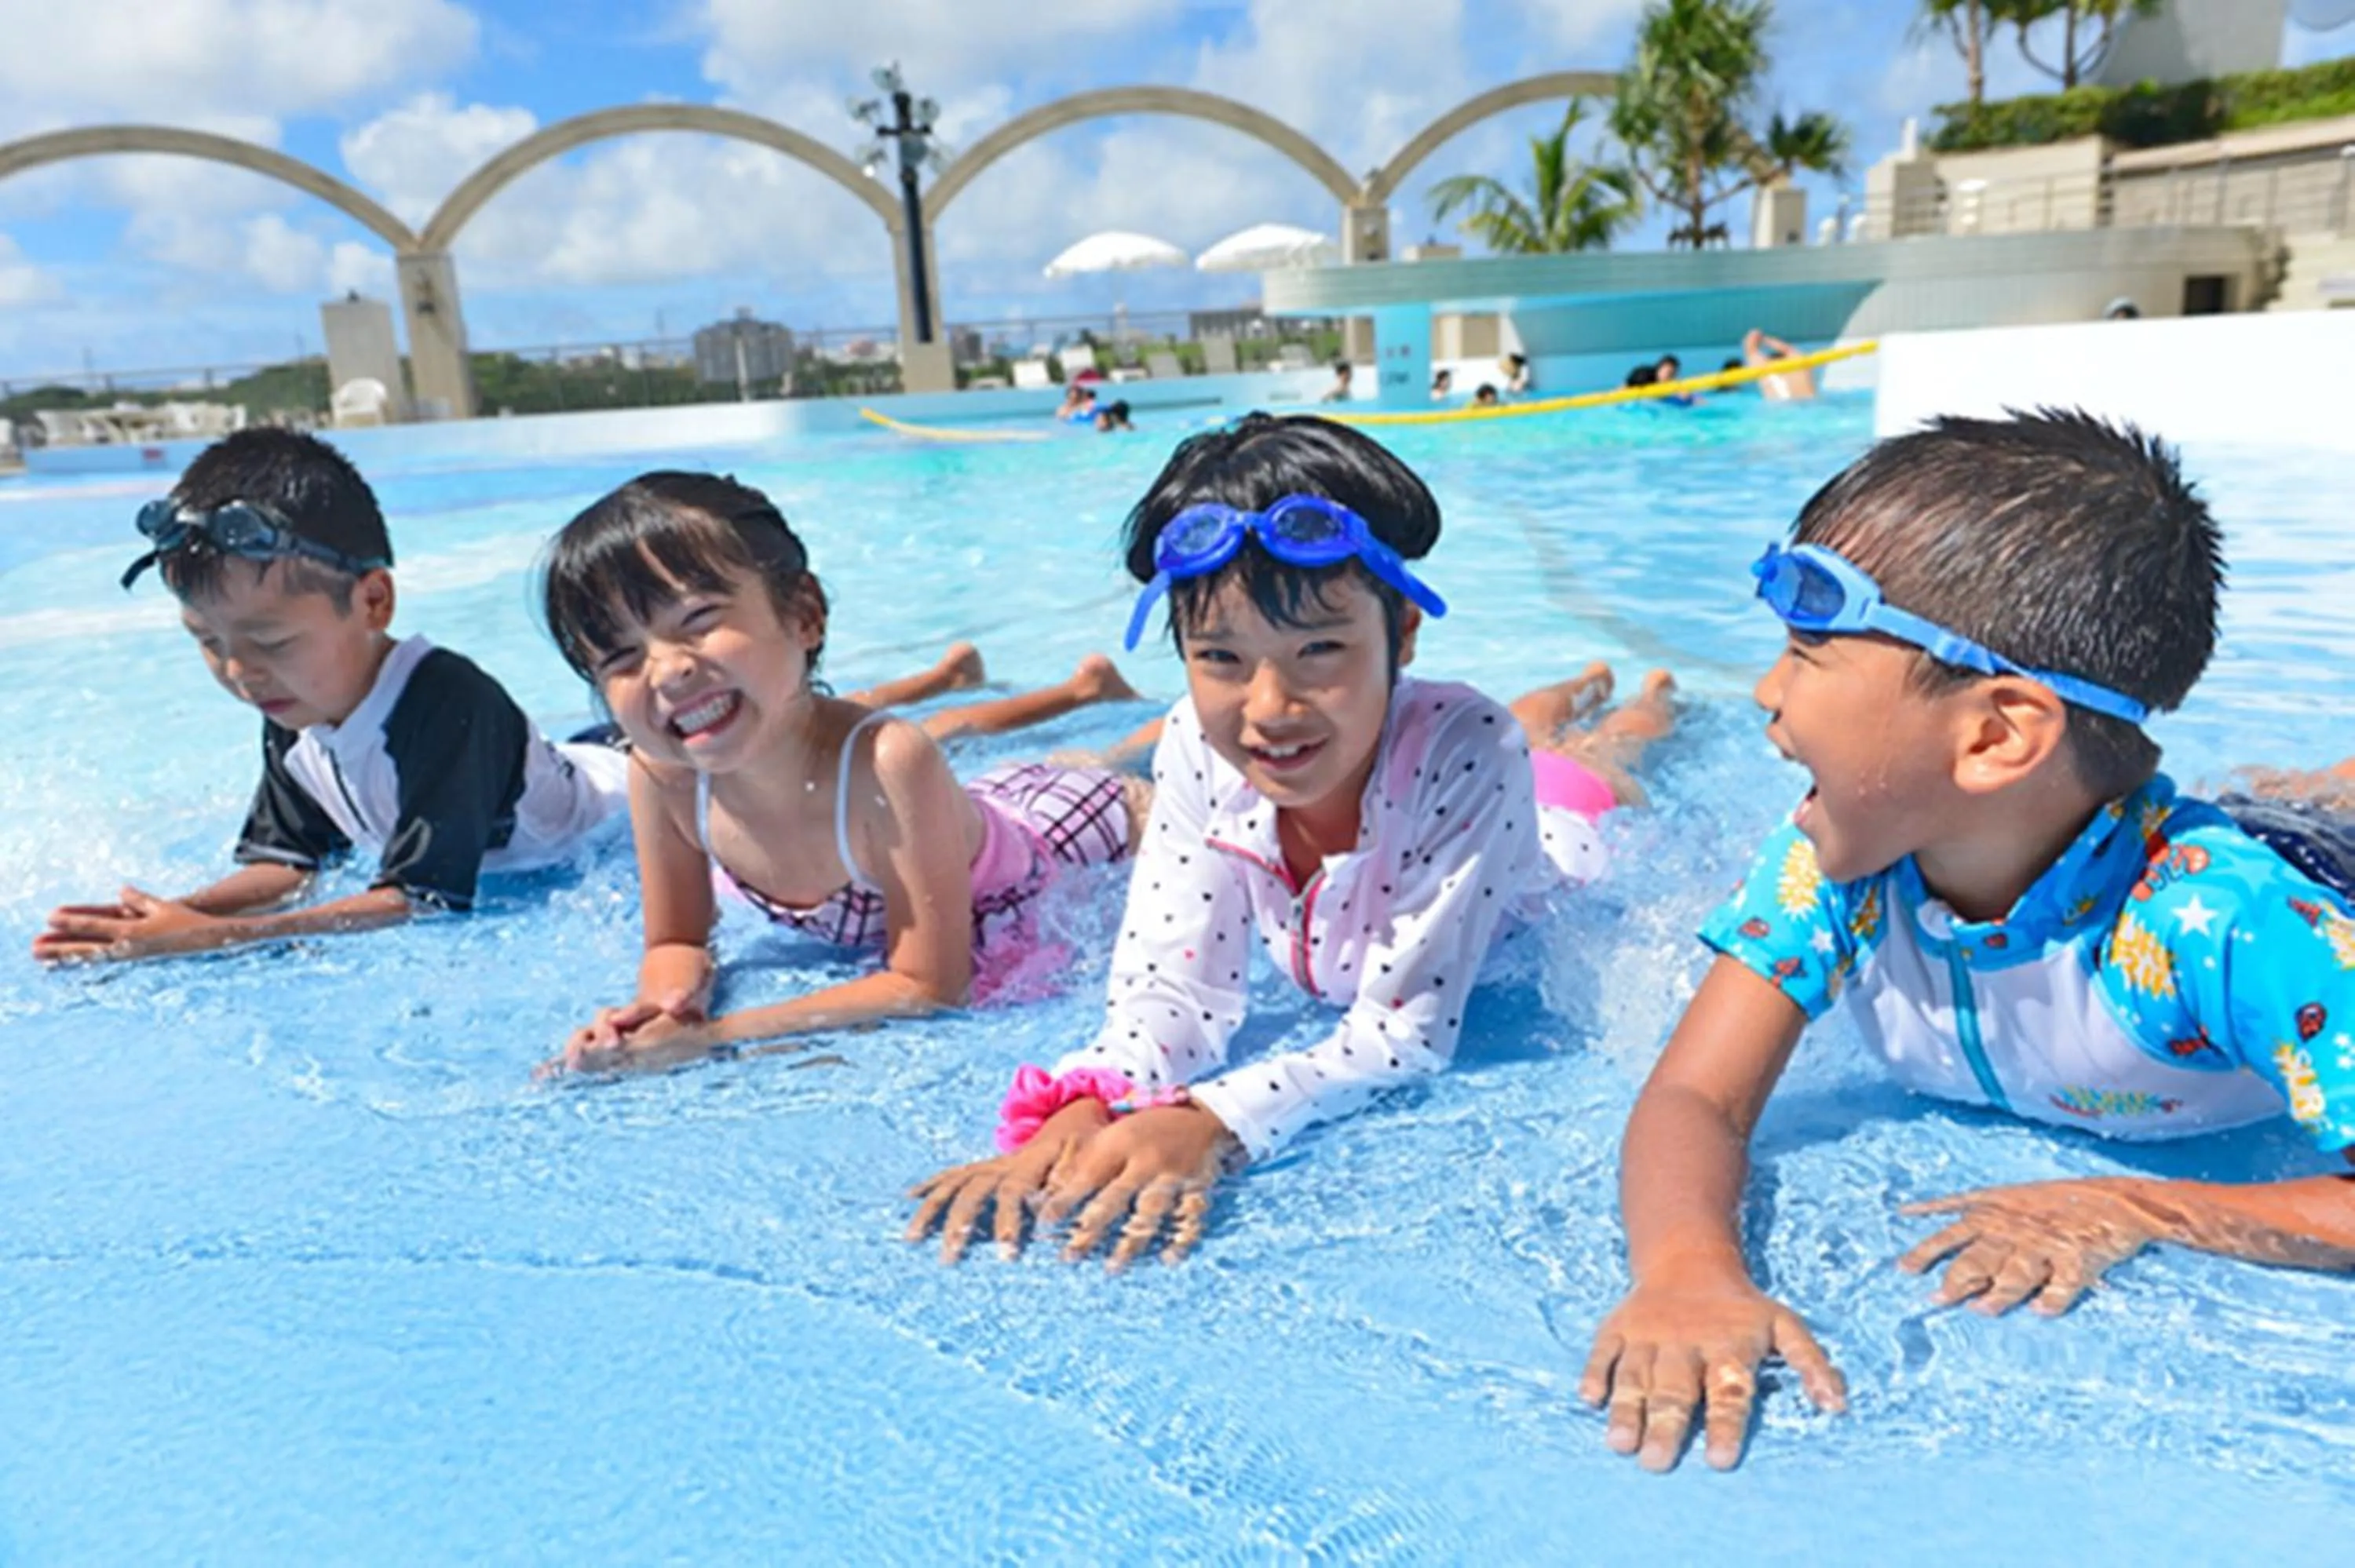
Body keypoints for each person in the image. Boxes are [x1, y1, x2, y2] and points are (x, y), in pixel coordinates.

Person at [1582, 410, 2355, 1475]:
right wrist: (1687, 1267)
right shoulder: (1838, 864)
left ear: (1994, 734)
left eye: (1807, 652)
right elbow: (1694, 1098)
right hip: (2090, 807)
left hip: (2309, 862)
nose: (1765, 689)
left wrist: (2144, 1204)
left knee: (2305, 818)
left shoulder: (2222, 927)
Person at [904, 414, 1678, 1269]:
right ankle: (1573, 690)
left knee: (1597, 754)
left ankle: (1648, 697)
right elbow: (1172, 985)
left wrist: (1211, 1122)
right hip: (1459, 766)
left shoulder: (1469, 745)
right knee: (1543, 727)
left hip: (1561, 834)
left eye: (1320, 651)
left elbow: (1406, 1031)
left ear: (1404, 637)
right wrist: (1088, 1103)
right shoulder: (1196, 746)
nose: (1270, 708)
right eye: (1222, 659)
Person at [538, 472, 1152, 1076]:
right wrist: (660, 1013)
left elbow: (929, 984)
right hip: (958, 815)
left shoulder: (888, 764)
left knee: (1122, 772)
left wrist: (720, 1037)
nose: (667, 671)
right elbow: (676, 941)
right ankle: (1089, 697)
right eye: (621, 657)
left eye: (698, 620)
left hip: (1068, 828)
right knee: (999, 747)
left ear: (805, 615)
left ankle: (1134, 723)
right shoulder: (664, 776)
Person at [33, 429, 634, 965]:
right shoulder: (292, 704)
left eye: (273, 640)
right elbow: (288, 864)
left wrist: (221, 937)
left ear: (374, 602)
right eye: (208, 641)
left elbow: (422, 900)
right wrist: (171, 918)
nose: (241, 670)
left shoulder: (448, 702)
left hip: (626, 789)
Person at [1743, 328, 1816, 402]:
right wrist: (1766, 339)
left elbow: (1750, 346)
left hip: (1781, 409)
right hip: (1813, 406)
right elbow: (1790, 350)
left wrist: (1759, 335)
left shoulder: (1765, 372)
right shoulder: (1800, 365)